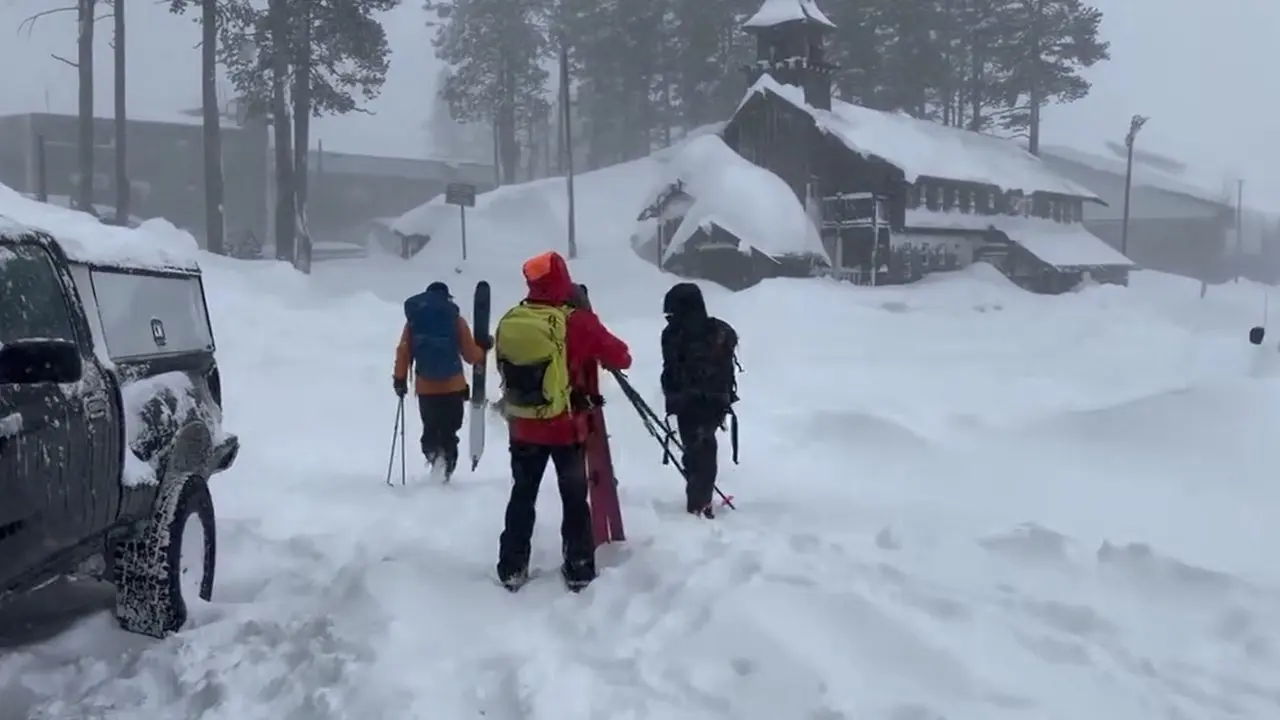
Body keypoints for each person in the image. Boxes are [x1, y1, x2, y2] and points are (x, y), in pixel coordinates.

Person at [493, 251, 632, 591]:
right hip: (565, 428)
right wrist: (589, 320)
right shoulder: (577, 322)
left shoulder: (515, 317)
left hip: (523, 426)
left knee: (522, 494)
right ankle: (578, 568)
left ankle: (512, 567)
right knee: (573, 498)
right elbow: (621, 357)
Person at [393, 281, 488, 480]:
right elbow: (471, 355)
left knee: (431, 427)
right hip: (453, 386)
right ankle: (446, 468)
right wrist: (484, 349)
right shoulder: (455, 319)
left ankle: (433, 455)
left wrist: (400, 379)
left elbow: (403, 351)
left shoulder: (415, 321)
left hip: (426, 388)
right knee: (450, 431)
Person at [660, 282, 739, 518]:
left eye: (672, 314)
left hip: (693, 403)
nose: (669, 319)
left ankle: (698, 503)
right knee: (699, 449)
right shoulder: (720, 331)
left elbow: (671, 370)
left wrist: (674, 395)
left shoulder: (674, 334)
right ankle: (699, 497)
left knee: (699, 450)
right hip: (711, 402)